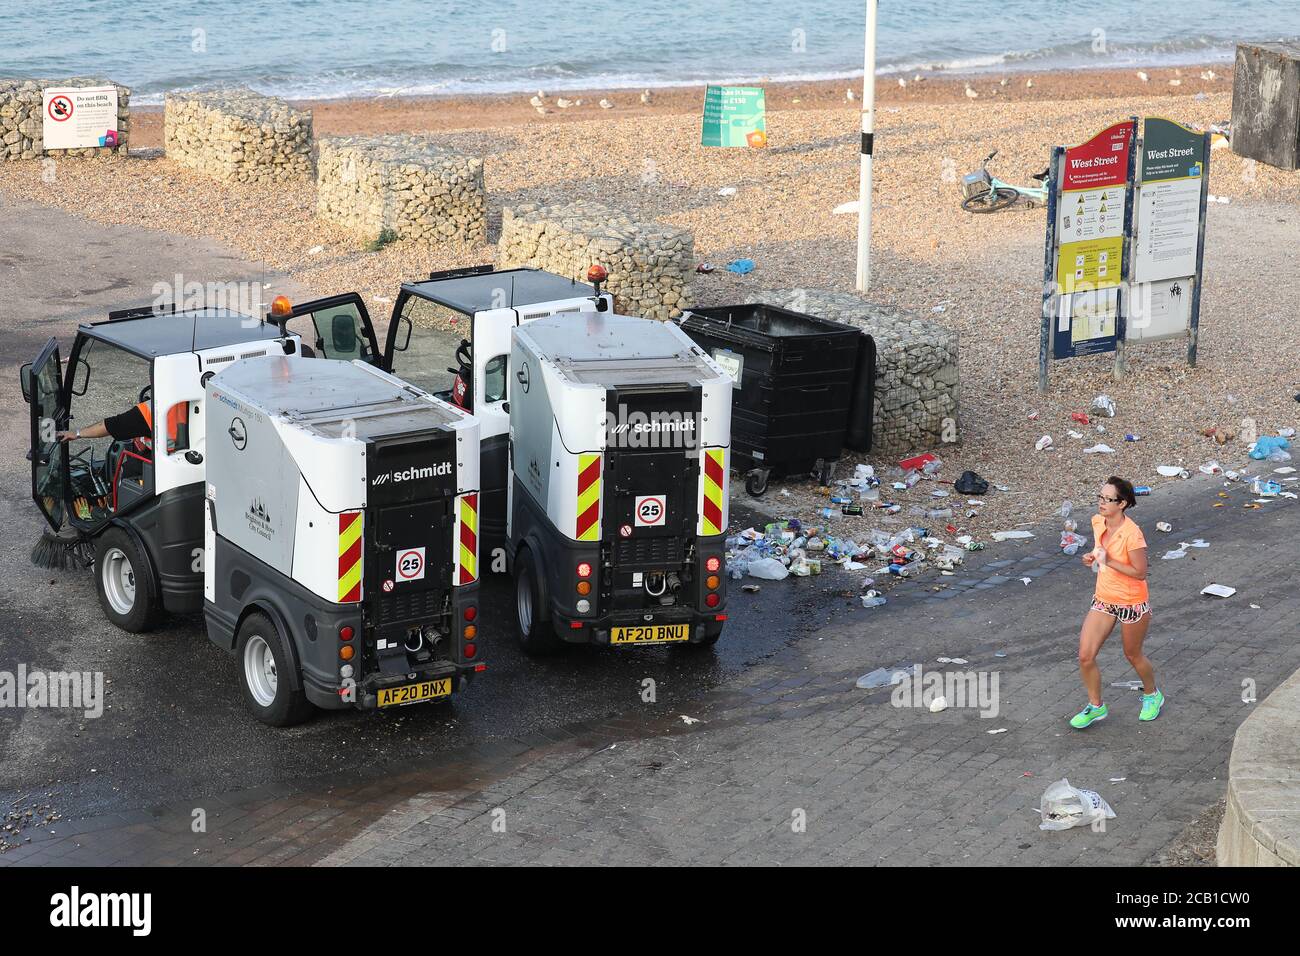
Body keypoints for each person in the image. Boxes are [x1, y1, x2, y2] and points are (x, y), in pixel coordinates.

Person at [1070, 476, 1164, 728]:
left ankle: (1153, 695)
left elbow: (1140, 572)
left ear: (1121, 503)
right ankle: (1096, 706)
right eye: (1100, 497)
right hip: (1104, 598)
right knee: (1085, 656)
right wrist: (1093, 557)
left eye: (1107, 499)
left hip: (1132, 603)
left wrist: (1108, 560)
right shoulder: (1098, 522)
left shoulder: (1132, 534)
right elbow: (1101, 551)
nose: (1101, 503)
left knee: (1132, 654)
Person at [57, 399, 187, 454]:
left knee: (127, 472)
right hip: (184, 453)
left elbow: (112, 425)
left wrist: (77, 433)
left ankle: (112, 506)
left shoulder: (153, 409)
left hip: (167, 458)